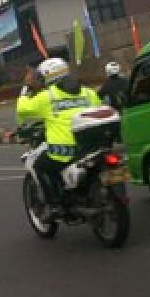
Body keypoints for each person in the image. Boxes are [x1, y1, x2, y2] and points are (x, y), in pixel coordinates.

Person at [15, 57, 101, 211]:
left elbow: (23, 110)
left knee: (39, 166)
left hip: (65, 151)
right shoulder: (89, 93)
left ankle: (55, 204)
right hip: (91, 147)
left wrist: (25, 88)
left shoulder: (47, 96)